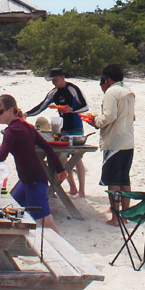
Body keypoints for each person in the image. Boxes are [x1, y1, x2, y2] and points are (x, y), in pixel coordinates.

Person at [0, 94, 67, 234]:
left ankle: (66, 253)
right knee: (11, 211)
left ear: (10, 110)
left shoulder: (10, 131)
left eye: (0, 112)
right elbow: (47, 148)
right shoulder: (27, 126)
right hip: (27, 181)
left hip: (34, 182)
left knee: (47, 224)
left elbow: (2, 156)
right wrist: (60, 169)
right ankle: (12, 246)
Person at [26, 68, 89, 197]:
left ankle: (82, 191)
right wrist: (27, 114)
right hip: (63, 128)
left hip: (76, 127)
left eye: (56, 80)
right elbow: (41, 106)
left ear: (62, 77)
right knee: (64, 159)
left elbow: (85, 106)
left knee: (77, 159)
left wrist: (71, 110)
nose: (54, 83)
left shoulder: (72, 89)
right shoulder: (53, 93)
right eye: (52, 81)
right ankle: (73, 188)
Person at [89, 63, 135, 226]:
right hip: (128, 141)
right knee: (124, 179)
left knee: (113, 181)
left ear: (107, 79)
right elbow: (132, 117)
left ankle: (115, 217)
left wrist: (95, 121)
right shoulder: (128, 91)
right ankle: (124, 215)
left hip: (115, 141)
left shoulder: (112, 92)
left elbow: (109, 116)